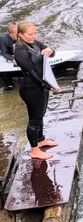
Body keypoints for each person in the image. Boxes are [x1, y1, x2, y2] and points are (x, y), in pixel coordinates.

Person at [13, 21, 59, 160]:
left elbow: (51, 52)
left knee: (41, 114)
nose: (33, 36)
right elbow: (32, 73)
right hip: (31, 88)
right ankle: (34, 150)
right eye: (30, 34)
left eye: (34, 33)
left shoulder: (34, 43)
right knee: (34, 120)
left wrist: (50, 50)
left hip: (41, 86)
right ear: (20, 35)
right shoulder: (20, 51)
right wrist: (48, 86)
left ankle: (41, 139)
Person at [1, 24, 17, 92]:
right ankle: (9, 84)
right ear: (11, 35)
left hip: (12, 50)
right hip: (4, 51)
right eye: (17, 34)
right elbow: (4, 53)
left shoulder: (21, 35)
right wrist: (12, 59)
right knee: (3, 66)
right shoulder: (3, 39)